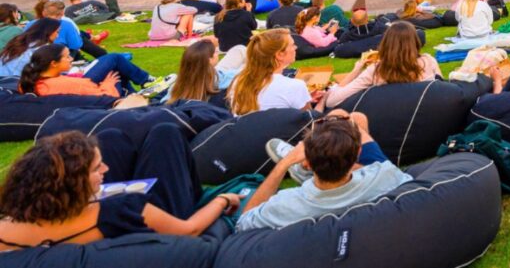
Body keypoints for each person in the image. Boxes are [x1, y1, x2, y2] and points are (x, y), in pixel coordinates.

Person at [0, 130, 242, 250]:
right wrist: (222, 200)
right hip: (152, 228)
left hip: (92, 224)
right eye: (97, 169)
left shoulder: (8, 223)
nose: (105, 168)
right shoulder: (121, 209)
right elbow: (191, 230)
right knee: (165, 133)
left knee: (111, 137)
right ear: (73, 184)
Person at [237, 111, 412, 231]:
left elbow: (244, 222)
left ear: (308, 162)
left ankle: (298, 170)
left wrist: (285, 163)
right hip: (363, 185)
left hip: (317, 191)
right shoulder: (385, 175)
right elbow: (408, 183)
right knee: (352, 117)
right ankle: (310, 169)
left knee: (345, 116)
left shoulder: (286, 203)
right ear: (358, 153)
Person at [321, 22, 441, 108]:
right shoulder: (428, 61)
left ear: (386, 43)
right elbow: (443, 90)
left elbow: (331, 101)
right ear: (415, 42)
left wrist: (355, 71)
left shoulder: (376, 70)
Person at [228, 29, 313, 115]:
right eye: (292, 45)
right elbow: (311, 121)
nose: (296, 47)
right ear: (280, 54)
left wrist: (303, 97)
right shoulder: (295, 86)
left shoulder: (238, 82)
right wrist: (323, 100)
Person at [19, 44, 154, 97]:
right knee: (114, 62)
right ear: (53, 63)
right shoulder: (61, 84)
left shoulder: (36, 79)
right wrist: (108, 85)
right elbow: (102, 97)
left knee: (113, 65)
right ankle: (144, 83)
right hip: (103, 94)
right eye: (67, 57)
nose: (71, 59)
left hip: (83, 82)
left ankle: (136, 94)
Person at [168, 38, 234, 104]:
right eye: (215, 52)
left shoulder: (177, 87)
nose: (217, 54)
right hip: (221, 74)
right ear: (209, 60)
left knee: (238, 49)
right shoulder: (220, 81)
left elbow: (165, 101)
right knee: (239, 49)